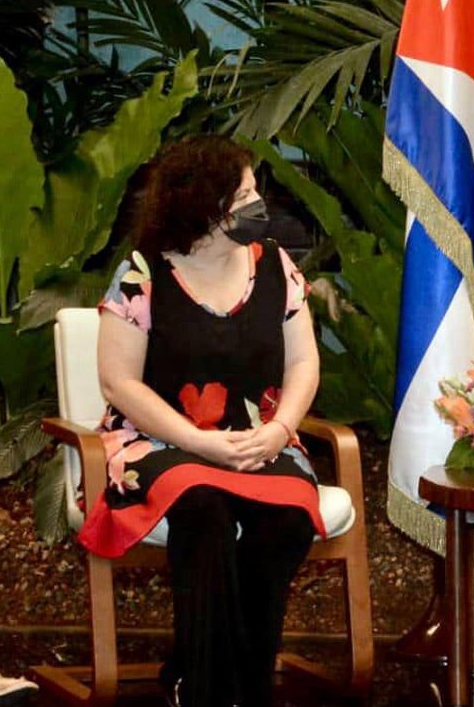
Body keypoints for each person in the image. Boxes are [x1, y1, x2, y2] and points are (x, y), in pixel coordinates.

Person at [77, 135, 323, 707]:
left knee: (286, 518)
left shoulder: (274, 264)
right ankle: (209, 689)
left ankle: (235, 679)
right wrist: (197, 443)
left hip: (258, 436)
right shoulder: (142, 273)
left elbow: (306, 360)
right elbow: (119, 383)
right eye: (244, 193)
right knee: (203, 507)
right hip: (158, 440)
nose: (257, 203)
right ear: (204, 206)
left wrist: (282, 429)